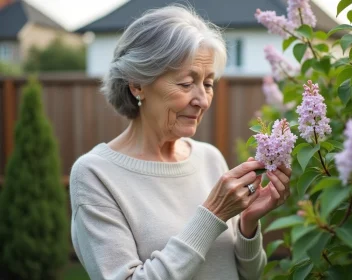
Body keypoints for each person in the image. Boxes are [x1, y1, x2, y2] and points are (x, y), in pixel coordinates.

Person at [69, 4, 291, 280]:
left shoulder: (209, 158)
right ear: (137, 84)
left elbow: (250, 274)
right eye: (186, 84)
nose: (202, 100)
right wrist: (212, 215)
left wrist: (247, 223)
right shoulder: (95, 175)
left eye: (208, 84)